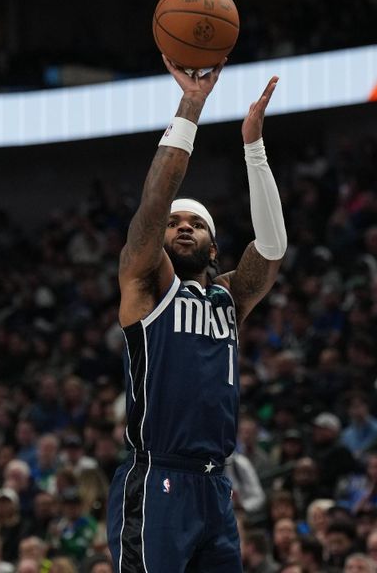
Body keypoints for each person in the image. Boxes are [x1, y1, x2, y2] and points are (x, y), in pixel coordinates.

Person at [106, 55, 286, 573]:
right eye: (175, 224)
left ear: (213, 249)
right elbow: (154, 201)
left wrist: (254, 147)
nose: (183, 227)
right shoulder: (144, 283)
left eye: (197, 224)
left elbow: (272, 246)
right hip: (157, 476)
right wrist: (192, 105)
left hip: (215, 485)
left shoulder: (230, 297)